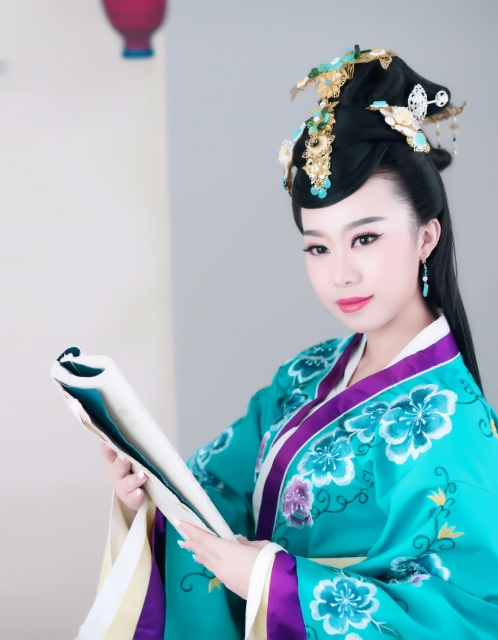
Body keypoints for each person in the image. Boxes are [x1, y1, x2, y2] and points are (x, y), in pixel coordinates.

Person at [97, 46, 498, 639]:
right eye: (318, 247)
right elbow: (216, 489)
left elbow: (457, 616)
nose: (340, 274)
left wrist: (274, 579)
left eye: (365, 239)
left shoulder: (453, 424)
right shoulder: (308, 372)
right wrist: (148, 495)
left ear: (426, 237)